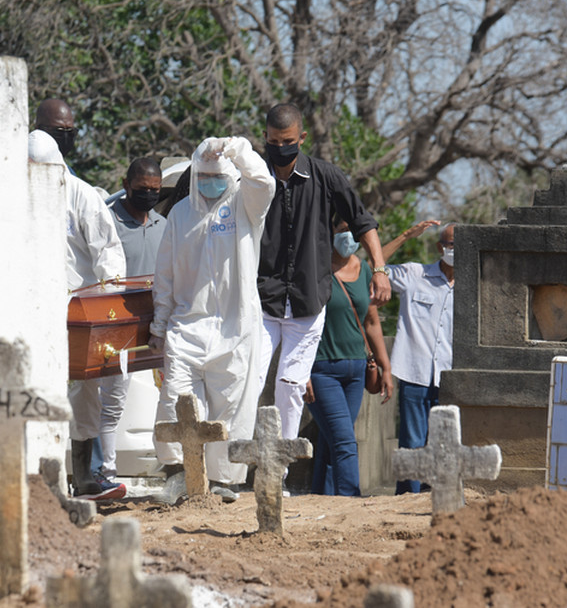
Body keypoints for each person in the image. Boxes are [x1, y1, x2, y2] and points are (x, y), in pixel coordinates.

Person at [256, 103, 392, 445]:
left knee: (289, 387)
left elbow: (363, 222)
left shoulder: (324, 176)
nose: (280, 148)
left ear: (301, 138)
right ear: (265, 138)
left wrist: (379, 269)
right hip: (262, 301)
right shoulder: (254, 177)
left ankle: (281, 467)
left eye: (287, 141)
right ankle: (235, 469)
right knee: (249, 379)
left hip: (308, 301)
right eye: (273, 141)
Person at [148, 137, 275, 493]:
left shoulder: (244, 205)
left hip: (235, 329)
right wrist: (160, 324)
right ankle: (177, 475)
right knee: (174, 402)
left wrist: (240, 150)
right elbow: (166, 275)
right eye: (202, 175)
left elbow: (264, 183)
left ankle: (223, 481)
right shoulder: (180, 214)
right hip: (186, 327)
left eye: (216, 174)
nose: (209, 181)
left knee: (229, 409)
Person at [28, 100, 128, 500]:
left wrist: (106, 312)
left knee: (84, 395)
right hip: (32, 310)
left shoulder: (81, 196)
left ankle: (85, 478)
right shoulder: (8, 190)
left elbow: (109, 255)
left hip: (78, 313)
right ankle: (40, 479)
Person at [303, 218, 394, 496]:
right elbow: (298, 324)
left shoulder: (365, 270)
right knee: (344, 441)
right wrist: (300, 371)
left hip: (357, 371)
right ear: (328, 232)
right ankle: (350, 498)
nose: (349, 237)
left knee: (333, 441)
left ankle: (320, 499)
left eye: (353, 232)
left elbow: (371, 322)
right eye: (342, 231)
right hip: (321, 370)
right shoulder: (314, 270)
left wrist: (386, 368)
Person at [94, 157, 166, 482]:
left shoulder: (164, 226)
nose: (149, 195)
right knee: (111, 402)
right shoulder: (108, 223)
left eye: (155, 190)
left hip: (160, 324)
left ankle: (174, 467)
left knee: (174, 395)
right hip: (119, 325)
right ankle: (106, 471)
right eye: (142, 189)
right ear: (126, 186)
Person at [381, 220, 454, 495]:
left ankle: (434, 501)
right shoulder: (414, 274)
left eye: (459, 245)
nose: (453, 250)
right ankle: (406, 501)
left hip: (449, 378)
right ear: (439, 247)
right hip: (414, 373)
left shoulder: (473, 287)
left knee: (444, 445)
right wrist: (405, 236)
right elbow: (371, 268)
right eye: (449, 244)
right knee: (412, 443)